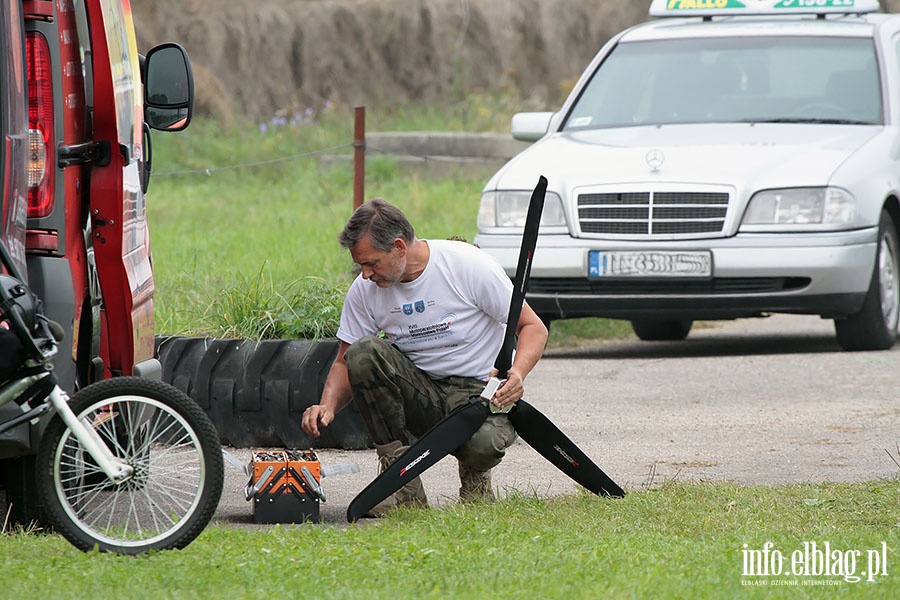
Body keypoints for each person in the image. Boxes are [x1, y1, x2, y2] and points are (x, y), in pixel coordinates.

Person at [301, 198, 548, 515]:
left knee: (484, 445)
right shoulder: (365, 291)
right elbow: (343, 360)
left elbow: (533, 327)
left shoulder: (466, 266)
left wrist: (517, 373)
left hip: (478, 394)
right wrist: (327, 406)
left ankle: (476, 479)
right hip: (420, 393)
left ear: (399, 247)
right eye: (360, 265)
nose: (364, 275)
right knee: (364, 353)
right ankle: (402, 488)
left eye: (372, 263)